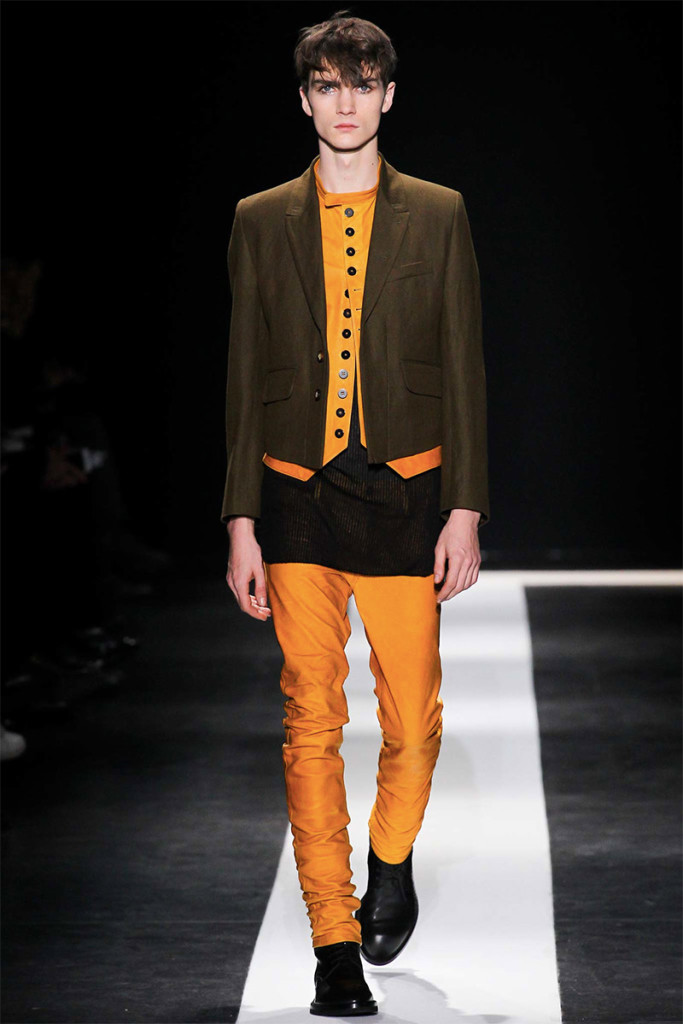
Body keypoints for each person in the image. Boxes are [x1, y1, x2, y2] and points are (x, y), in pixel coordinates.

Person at [221, 11, 489, 1017]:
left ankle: (389, 857)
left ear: (387, 95)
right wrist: (239, 520)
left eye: (360, 83)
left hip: (405, 491)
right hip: (293, 492)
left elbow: (463, 365)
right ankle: (332, 940)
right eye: (326, 84)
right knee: (311, 718)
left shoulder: (438, 212)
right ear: (303, 100)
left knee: (412, 722)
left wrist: (464, 506)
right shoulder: (257, 218)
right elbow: (242, 376)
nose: (344, 101)